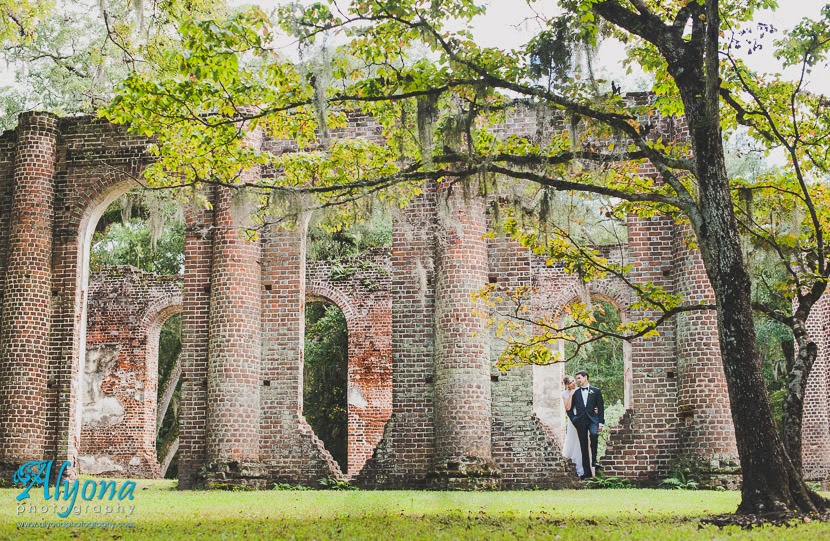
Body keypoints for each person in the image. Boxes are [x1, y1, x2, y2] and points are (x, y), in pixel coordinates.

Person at [567, 370, 605, 479]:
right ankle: (587, 472)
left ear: (585, 377)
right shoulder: (576, 393)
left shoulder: (596, 391)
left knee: (594, 434)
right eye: (577, 379)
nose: (577, 381)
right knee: (583, 446)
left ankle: (594, 460)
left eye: (579, 378)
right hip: (580, 422)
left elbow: (601, 408)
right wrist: (574, 419)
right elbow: (569, 409)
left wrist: (601, 423)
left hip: (593, 420)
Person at [560, 375, 584, 477]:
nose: (573, 383)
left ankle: (585, 466)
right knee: (573, 438)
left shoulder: (581, 389)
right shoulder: (565, 394)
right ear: (567, 385)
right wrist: (571, 395)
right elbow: (567, 408)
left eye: (573, 381)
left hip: (582, 415)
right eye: (570, 383)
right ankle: (573, 464)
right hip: (573, 417)